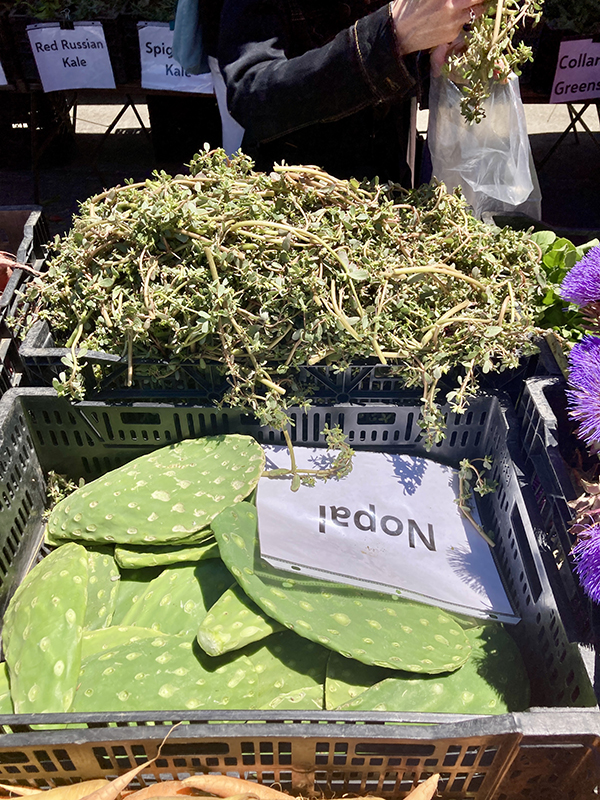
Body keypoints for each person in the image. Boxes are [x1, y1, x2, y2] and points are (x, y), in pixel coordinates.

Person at [217, 0, 485, 186]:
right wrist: (386, 41)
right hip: (294, 196)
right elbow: (250, 94)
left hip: (390, 191)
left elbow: (402, 69)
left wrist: (439, 55)